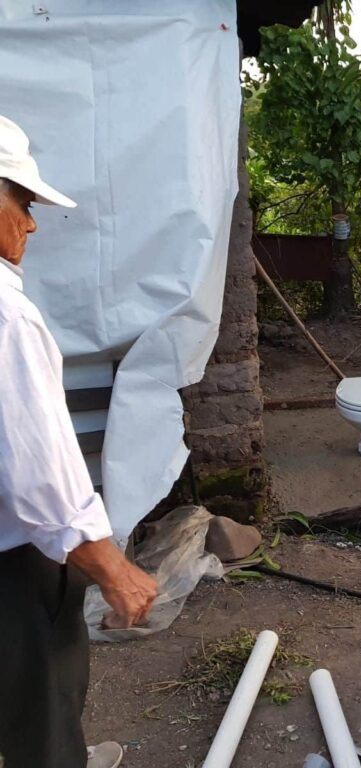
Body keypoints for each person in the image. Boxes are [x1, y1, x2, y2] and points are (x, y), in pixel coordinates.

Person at [0, 115, 158, 768]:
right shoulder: (7, 316)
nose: (32, 225)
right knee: (44, 717)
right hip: (15, 569)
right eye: (25, 203)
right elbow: (38, 473)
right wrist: (112, 569)